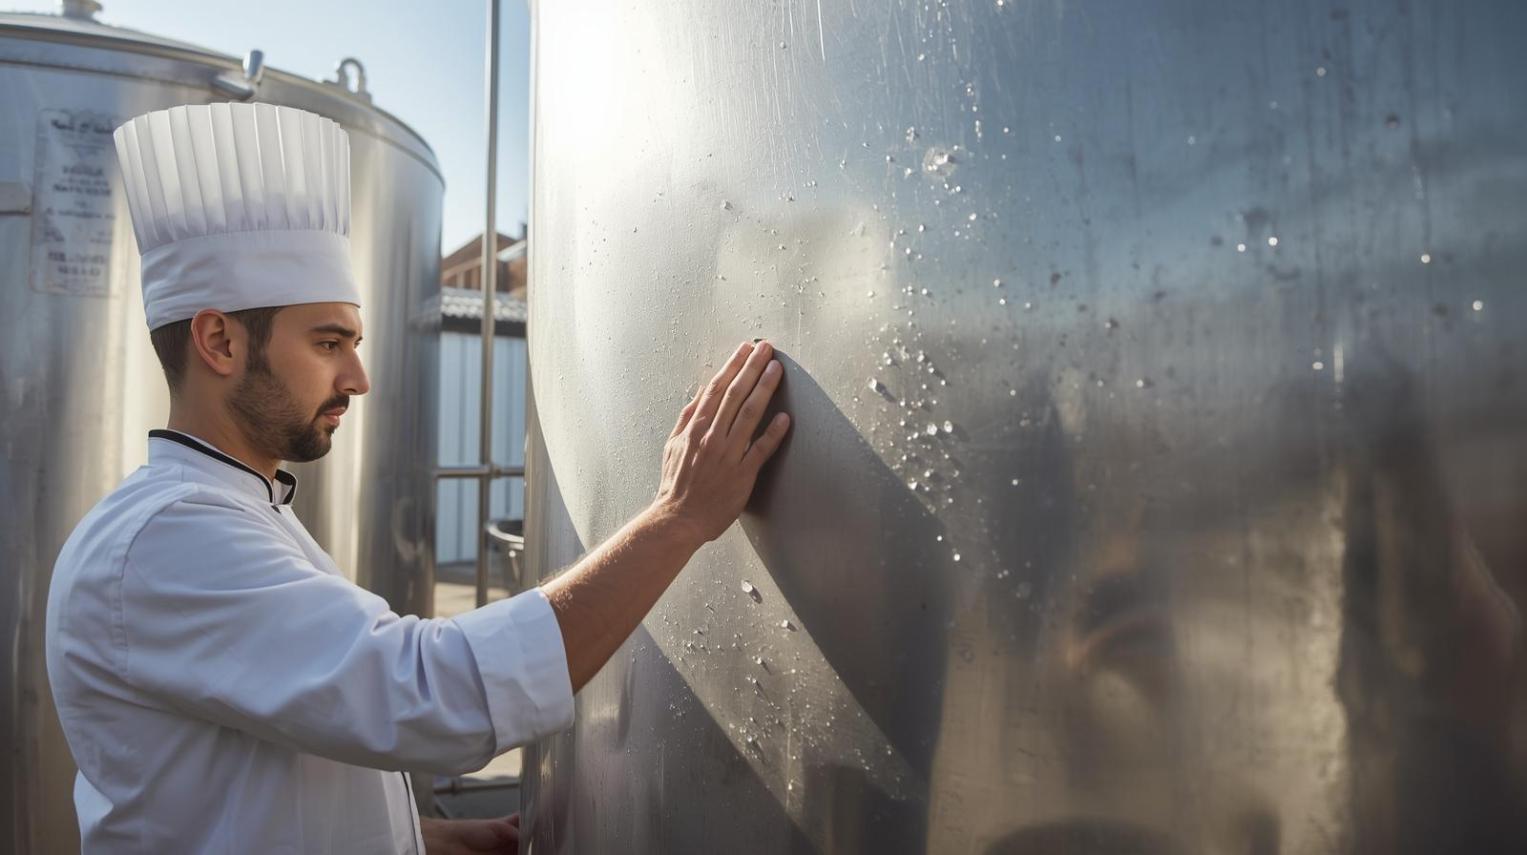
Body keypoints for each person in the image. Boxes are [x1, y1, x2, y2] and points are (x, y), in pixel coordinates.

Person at [44, 102, 790, 854]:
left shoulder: (243, 507)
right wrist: (678, 516)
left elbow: (250, 775)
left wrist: (421, 837)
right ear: (219, 341)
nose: (359, 377)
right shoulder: (168, 537)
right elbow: (428, 695)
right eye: (328, 341)